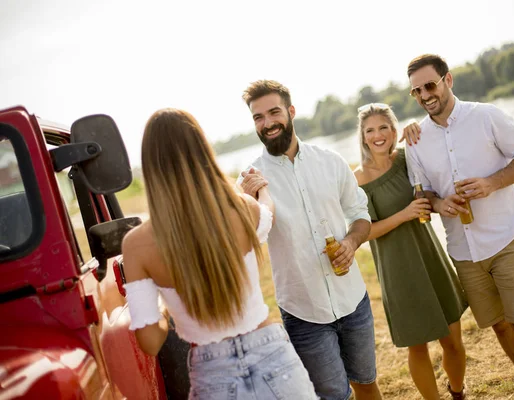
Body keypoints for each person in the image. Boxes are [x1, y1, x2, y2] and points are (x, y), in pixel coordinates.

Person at [121, 108, 317, 399]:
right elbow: (268, 215)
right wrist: (262, 192)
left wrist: (164, 305)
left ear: (151, 164)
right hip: (273, 354)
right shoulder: (243, 209)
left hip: (213, 373)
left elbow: (149, 341)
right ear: (202, 150)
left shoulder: (136, 245)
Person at [403, 54, 514, 400]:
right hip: (464, 251)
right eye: (416, 91)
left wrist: (492, 183)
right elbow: (423, 191)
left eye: (430, 85)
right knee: (499, 325)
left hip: (506, 236)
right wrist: (439, 204)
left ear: (448, 80)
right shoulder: (416, 140)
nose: (425, 95)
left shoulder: (486, 116)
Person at [237, 80, 382, 400]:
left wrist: (351, 243)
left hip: (352, 300)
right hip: (304, 313)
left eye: (274, 112)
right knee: (333, 396)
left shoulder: (330, 161)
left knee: (367, 383)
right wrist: (249, 203)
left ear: (290, 112)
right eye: (258, 117)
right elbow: (245, 245)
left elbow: (359, 214)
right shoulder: (249, 180)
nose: (267, 123)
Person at [353, 103, 468, 400]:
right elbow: (366, 232)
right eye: (370, 130)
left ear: (394, 131)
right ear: (363, 137)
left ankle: (457, 392)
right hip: (397, 270)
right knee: (418, 346)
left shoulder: (408, 158)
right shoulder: (359, 178)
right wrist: (404, 214)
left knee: (453, 339)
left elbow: (439, 156)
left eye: (383, 128)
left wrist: (418, 127)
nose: (377, 135)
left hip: (430, 257)